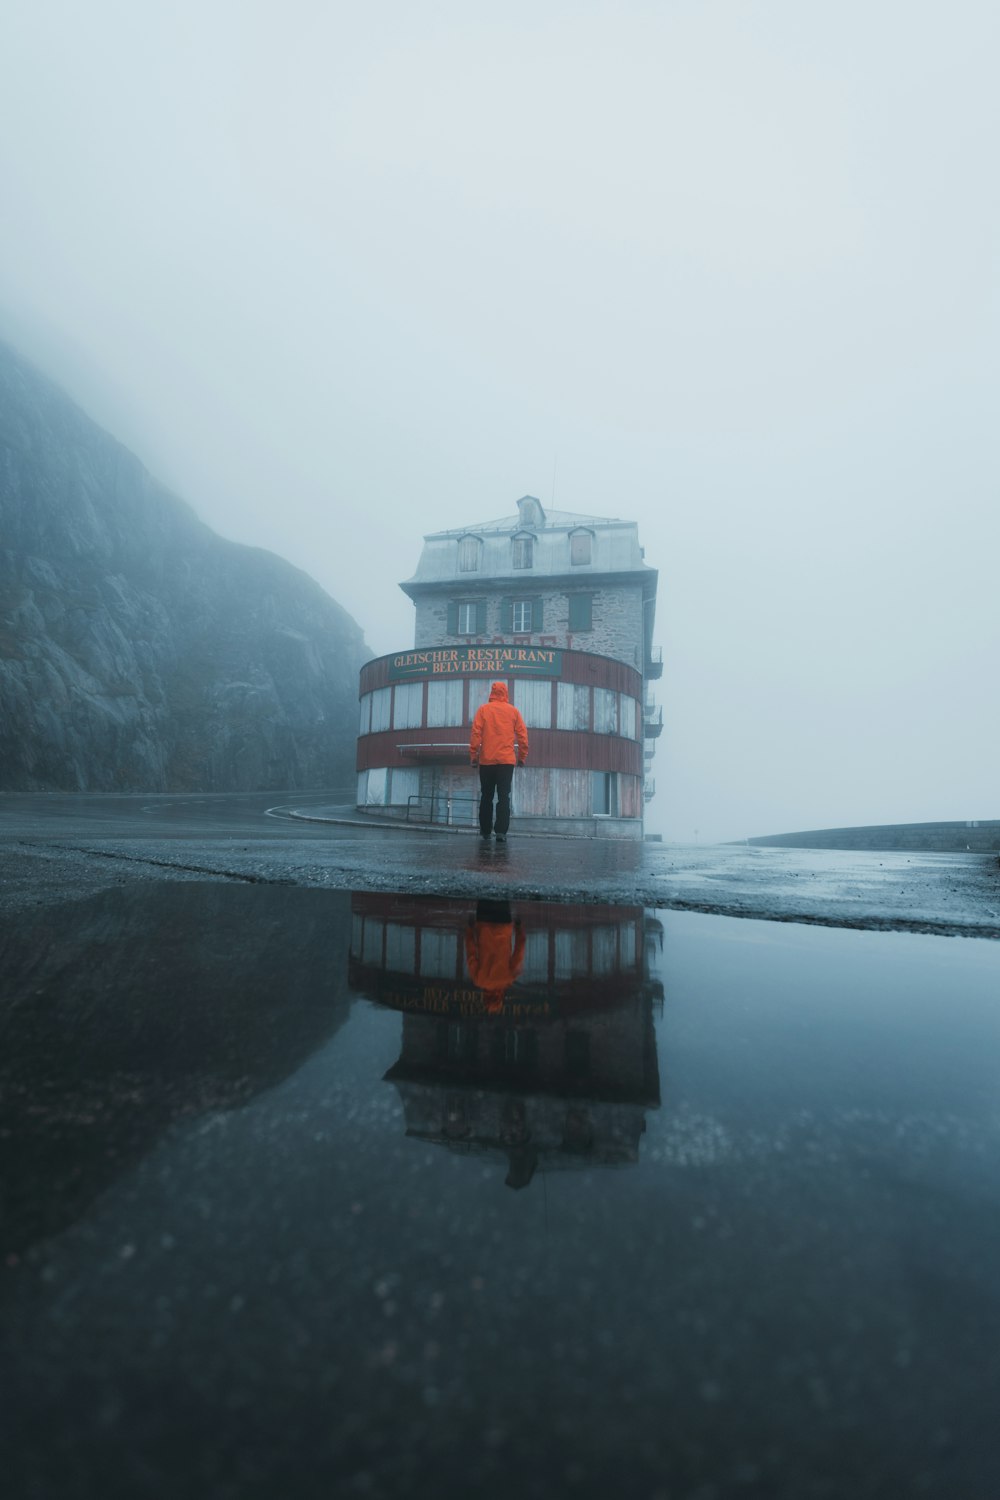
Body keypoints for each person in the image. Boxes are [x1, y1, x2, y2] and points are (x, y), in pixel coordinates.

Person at [469, 681, 528, 842]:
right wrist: (522, 757)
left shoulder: (483, 710)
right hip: (506, 762)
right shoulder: (513, 711)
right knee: (504, 796)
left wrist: (474, 756)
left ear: (492, 692)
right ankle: (501, 832)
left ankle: (485, 831)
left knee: (486, 796)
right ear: (506, 693)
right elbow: (523, 736)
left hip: (487, 760)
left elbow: (476, 734)